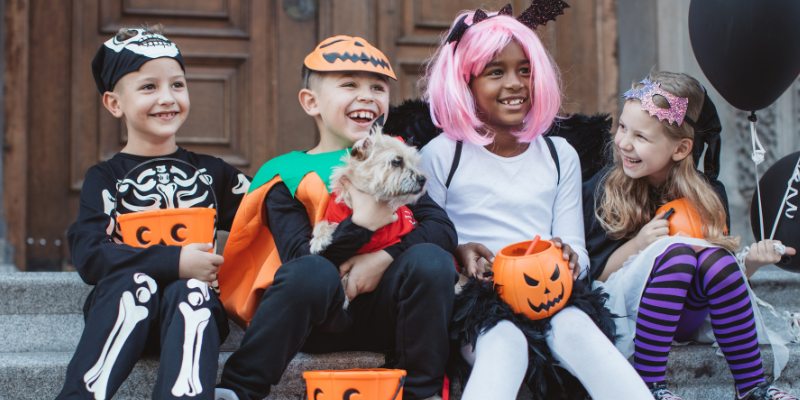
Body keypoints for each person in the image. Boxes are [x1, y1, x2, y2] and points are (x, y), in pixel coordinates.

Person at [418, 5, 652, 400]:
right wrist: (459, 252)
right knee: (505, 341)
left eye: (525, 70)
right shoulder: (442, 155)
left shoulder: (560, 155)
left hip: (549, 291)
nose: (515, 83)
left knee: (577, 329)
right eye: (496, 72)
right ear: (465, 82)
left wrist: (569, 256)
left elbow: (576, 245)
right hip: (478, 302)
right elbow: (426, 238)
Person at [215, 35, 458, 400]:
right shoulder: (288, 174)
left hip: (387, 313)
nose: (366, 96)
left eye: (378, 87)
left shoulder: (398, 159)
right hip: (318, 320)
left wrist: (382, 259)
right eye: (349, 84)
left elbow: (441, 230)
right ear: (311, 101)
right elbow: (302, 259)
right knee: (310, 271)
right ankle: (239, 389)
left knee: (433, 260)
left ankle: (421, 392)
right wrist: (363, 224)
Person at [57, 25, 251, 400]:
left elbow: (266, 212)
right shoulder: (105, 179)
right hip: (123, 312)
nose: (168, 98)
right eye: (149, 87)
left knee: (191, 289)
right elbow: (90, 254)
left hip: (193, 313)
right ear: (115, 103)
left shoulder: (214, 173)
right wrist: (176, 260)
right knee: (136, 284)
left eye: (177, 85)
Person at [585, 71, 798, 400]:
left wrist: (751, 264)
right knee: (680, 253)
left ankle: (752, 387)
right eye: (623, 127)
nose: (624, 142)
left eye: (641, 136)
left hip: (688, 315)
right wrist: (639, 245)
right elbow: (591, 275)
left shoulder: (709, 195)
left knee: (716, 258)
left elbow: (716, 279)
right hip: (626, 312)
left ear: (682, 148)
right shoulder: (605, 188)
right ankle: (650, 385)